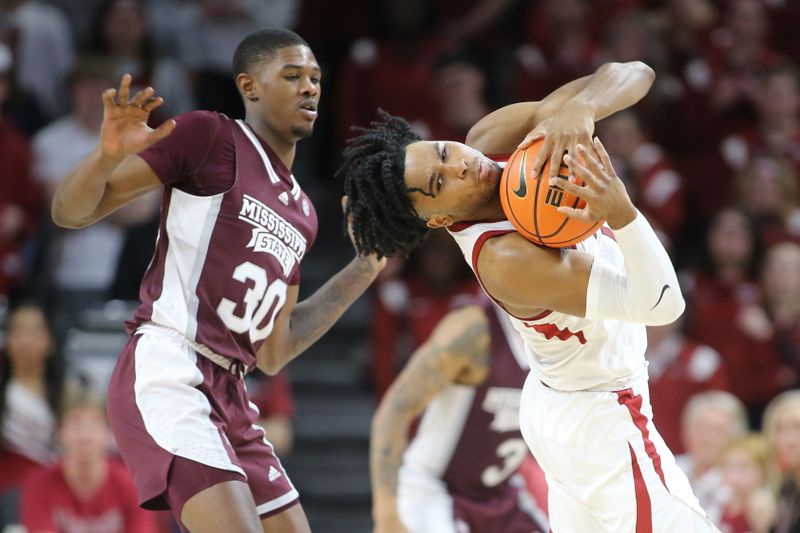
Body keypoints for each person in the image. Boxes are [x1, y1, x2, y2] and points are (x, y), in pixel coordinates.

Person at [339, 60, 719, 531]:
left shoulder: (486, 140)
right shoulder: (503, 258)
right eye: (440, 183)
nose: (458, 164)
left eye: (441, 151)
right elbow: (662, 305)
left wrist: (582, 107)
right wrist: (621, 213)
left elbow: (638, 73)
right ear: (435, 220)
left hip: (563, 402)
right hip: (599, 411)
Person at [50, 28, 385, 533]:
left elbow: (274, 350)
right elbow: (69, 212)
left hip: (233, 391)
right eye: (292, 76)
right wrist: (106, 156)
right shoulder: (210, 136)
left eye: (316, 78)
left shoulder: (304, 213)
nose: (310, 88)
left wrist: (364, 267)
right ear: (249, 86)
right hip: (170, 366)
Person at [370, 297, 547, 533]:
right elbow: (394, 410)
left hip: (502, 493)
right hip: (435, 488)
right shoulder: (473, 328)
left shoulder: (567, 334)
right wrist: (386, 515)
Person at [19, 386, 158, 533]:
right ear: (59, 432)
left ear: (109, 432)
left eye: (94, 424)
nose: (85, 435)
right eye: (75, 423)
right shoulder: (38, 484)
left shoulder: (132, 486)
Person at [0, 304, 64, 528]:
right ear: (7, 340)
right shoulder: (6, 394)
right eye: (18, 332)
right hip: (8, 497)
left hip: (58, 493)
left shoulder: (68, 394)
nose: (25, 340)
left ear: (48, 340)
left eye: (33, 332)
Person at [675, 391, 749, 522]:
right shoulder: (668, 468)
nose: (707, 438)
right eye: (700, 428)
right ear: (686, 432)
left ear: (735, 437)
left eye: (718, 431)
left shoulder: (742, 482)